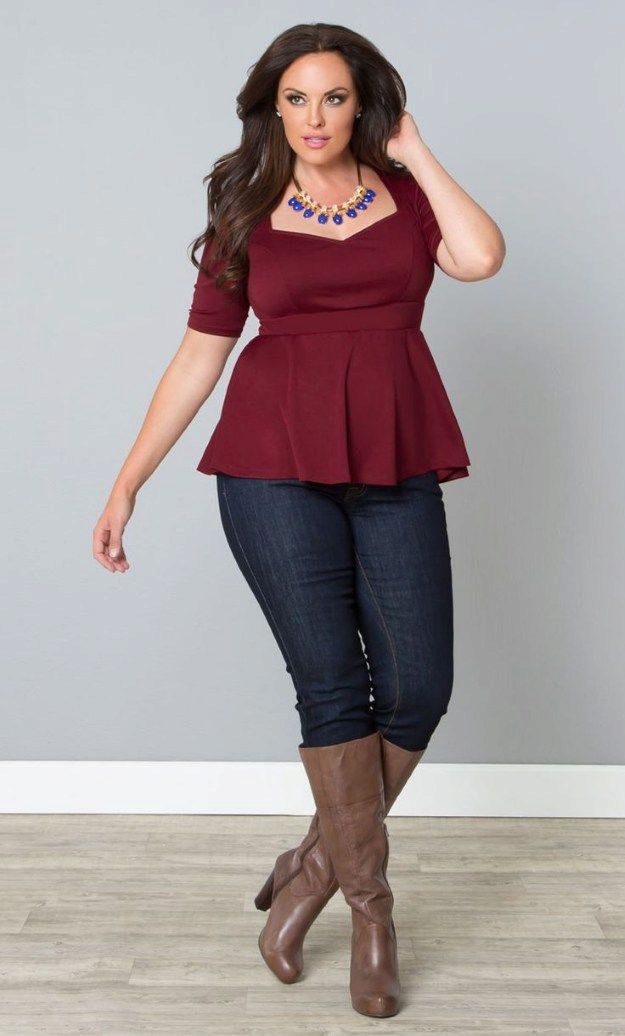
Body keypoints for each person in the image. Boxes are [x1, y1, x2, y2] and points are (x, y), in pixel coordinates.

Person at [93, 22, 505, 1020]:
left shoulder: (405, 194)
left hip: (394, 457)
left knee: (417, 686)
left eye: (333, 97)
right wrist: (127, 481)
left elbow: (480, 257)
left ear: (363, 104)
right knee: (332, 690)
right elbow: (199, 355)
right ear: (270, 108)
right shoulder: (243, 206)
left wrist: (414, 150)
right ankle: (370, 916)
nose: (314, 117)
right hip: (269, 468)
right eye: (295, 99)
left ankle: (312, 865)